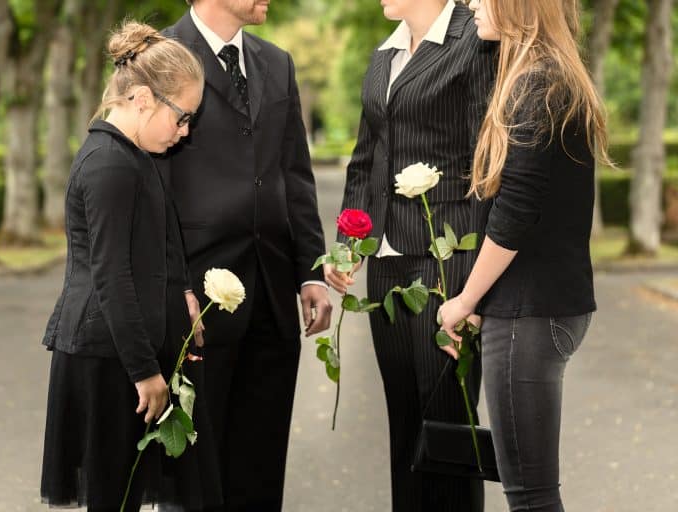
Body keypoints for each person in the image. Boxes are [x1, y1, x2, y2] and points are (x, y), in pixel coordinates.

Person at [158, 1, 332, 511]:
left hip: (273, 302)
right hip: (196, 308)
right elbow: (149, 188)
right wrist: (175, 287)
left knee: (259, 475)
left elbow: (294, 174)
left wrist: (311, 273)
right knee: (190, 480)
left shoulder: (278, 63)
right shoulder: (157, 58)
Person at [438, 0, 611, 510]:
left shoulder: (537, 84)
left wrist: (465, 301)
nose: (469, 2)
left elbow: (514, 216)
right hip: (547, 307)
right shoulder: (553, 77)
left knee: (531, 497)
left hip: (528, 315)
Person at [324, 0, 496, 510]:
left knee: (446, 426)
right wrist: (350, 242)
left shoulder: (476, 40)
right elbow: (365, 161)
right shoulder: (386, 53)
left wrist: (478, 289)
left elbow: (490, 168)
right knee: (403, 423)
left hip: (449, 264)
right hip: (387, 267)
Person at [39, 21, 209, 512]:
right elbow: (112, 277)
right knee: (113, 497)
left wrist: (181, 297)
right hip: (107, 359)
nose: (185, 131)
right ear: (140, 98)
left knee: (126, 497)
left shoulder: (132, 157)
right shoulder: (110, 165)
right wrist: (145, 371)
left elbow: (156, 249)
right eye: (182, 116)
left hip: (121, 354)